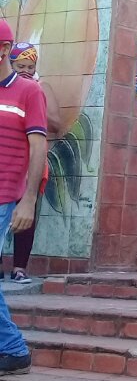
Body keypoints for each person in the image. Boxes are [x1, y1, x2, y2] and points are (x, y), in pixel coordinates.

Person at [0, 21, 47, 374]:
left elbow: (39, 147)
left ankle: (13, 348)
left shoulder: (29, 91)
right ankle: (13, 350)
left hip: (4, 196)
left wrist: (28, 199)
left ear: (4, 50)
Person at [5, 43, 60, 284]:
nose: (26, 71)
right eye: (21, 66)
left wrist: (32, 100)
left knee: (27, 212)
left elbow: (56, 125)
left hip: (32, 163)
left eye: (31, 67)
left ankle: (19, 267)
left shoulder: (39, 88)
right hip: (7, 161)